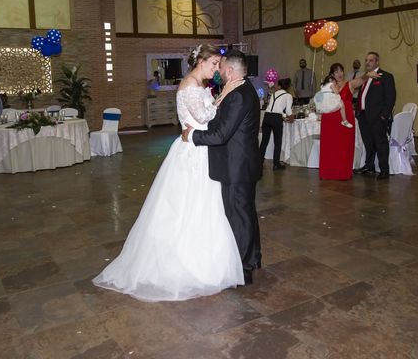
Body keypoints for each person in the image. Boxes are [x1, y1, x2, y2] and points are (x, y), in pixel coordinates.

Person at [92, 44, 245, 301]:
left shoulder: (197, 86)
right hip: (194, 152)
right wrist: (224, 95)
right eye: (214, 63)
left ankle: (207, 259)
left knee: (204, 205)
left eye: (218, 64)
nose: (217, 68)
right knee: (189, 205)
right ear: (202, 62)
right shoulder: (190, 87)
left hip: (198, 146)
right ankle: (185, 264)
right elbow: (206, 116)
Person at [182, 50, 262, 285]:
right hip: (241, 164)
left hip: (236, 167)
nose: (218, 71)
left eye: (221, 67)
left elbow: (220, 134)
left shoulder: (238, 95)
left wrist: (193, 136)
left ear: (229, 70)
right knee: (244, 214)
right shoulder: (243, 90)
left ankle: (244, 268)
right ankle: (251, 259)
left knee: (239, 216)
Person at [319, 63, 378, 180]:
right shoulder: (329, 85)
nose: (339, 74)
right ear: (332, 74)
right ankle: (328, 172)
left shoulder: (349, 84)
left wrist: (368, 74)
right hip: (329, 119)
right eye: (336, 72)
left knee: (344, 146)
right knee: (329, 146)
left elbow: (361, 79)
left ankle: (342, 172)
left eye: (341, 71)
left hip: (344, 118)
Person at [354, 52, 396, 180]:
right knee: (368, 143)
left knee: (380, 143)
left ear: (377, 62)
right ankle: (369, 166)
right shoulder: (365, 77)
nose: (367, 63)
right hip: (363, 115)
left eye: (371, 60)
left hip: (377, 117)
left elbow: (391, 98)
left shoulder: (386, 76)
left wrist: (384, 115)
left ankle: (384, 170)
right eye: (366, 60)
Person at [260, 77, 293, 171]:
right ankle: (276, 164)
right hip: (276, 119)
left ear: (280, 86)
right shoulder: (288, 96)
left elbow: (274, 107)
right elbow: (288, 111)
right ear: (287, 87)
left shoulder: (274, 94)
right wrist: (291, 118)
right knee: (277, 142)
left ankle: (259, 162)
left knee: (264, 141)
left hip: (267, 116)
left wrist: (283, 115)